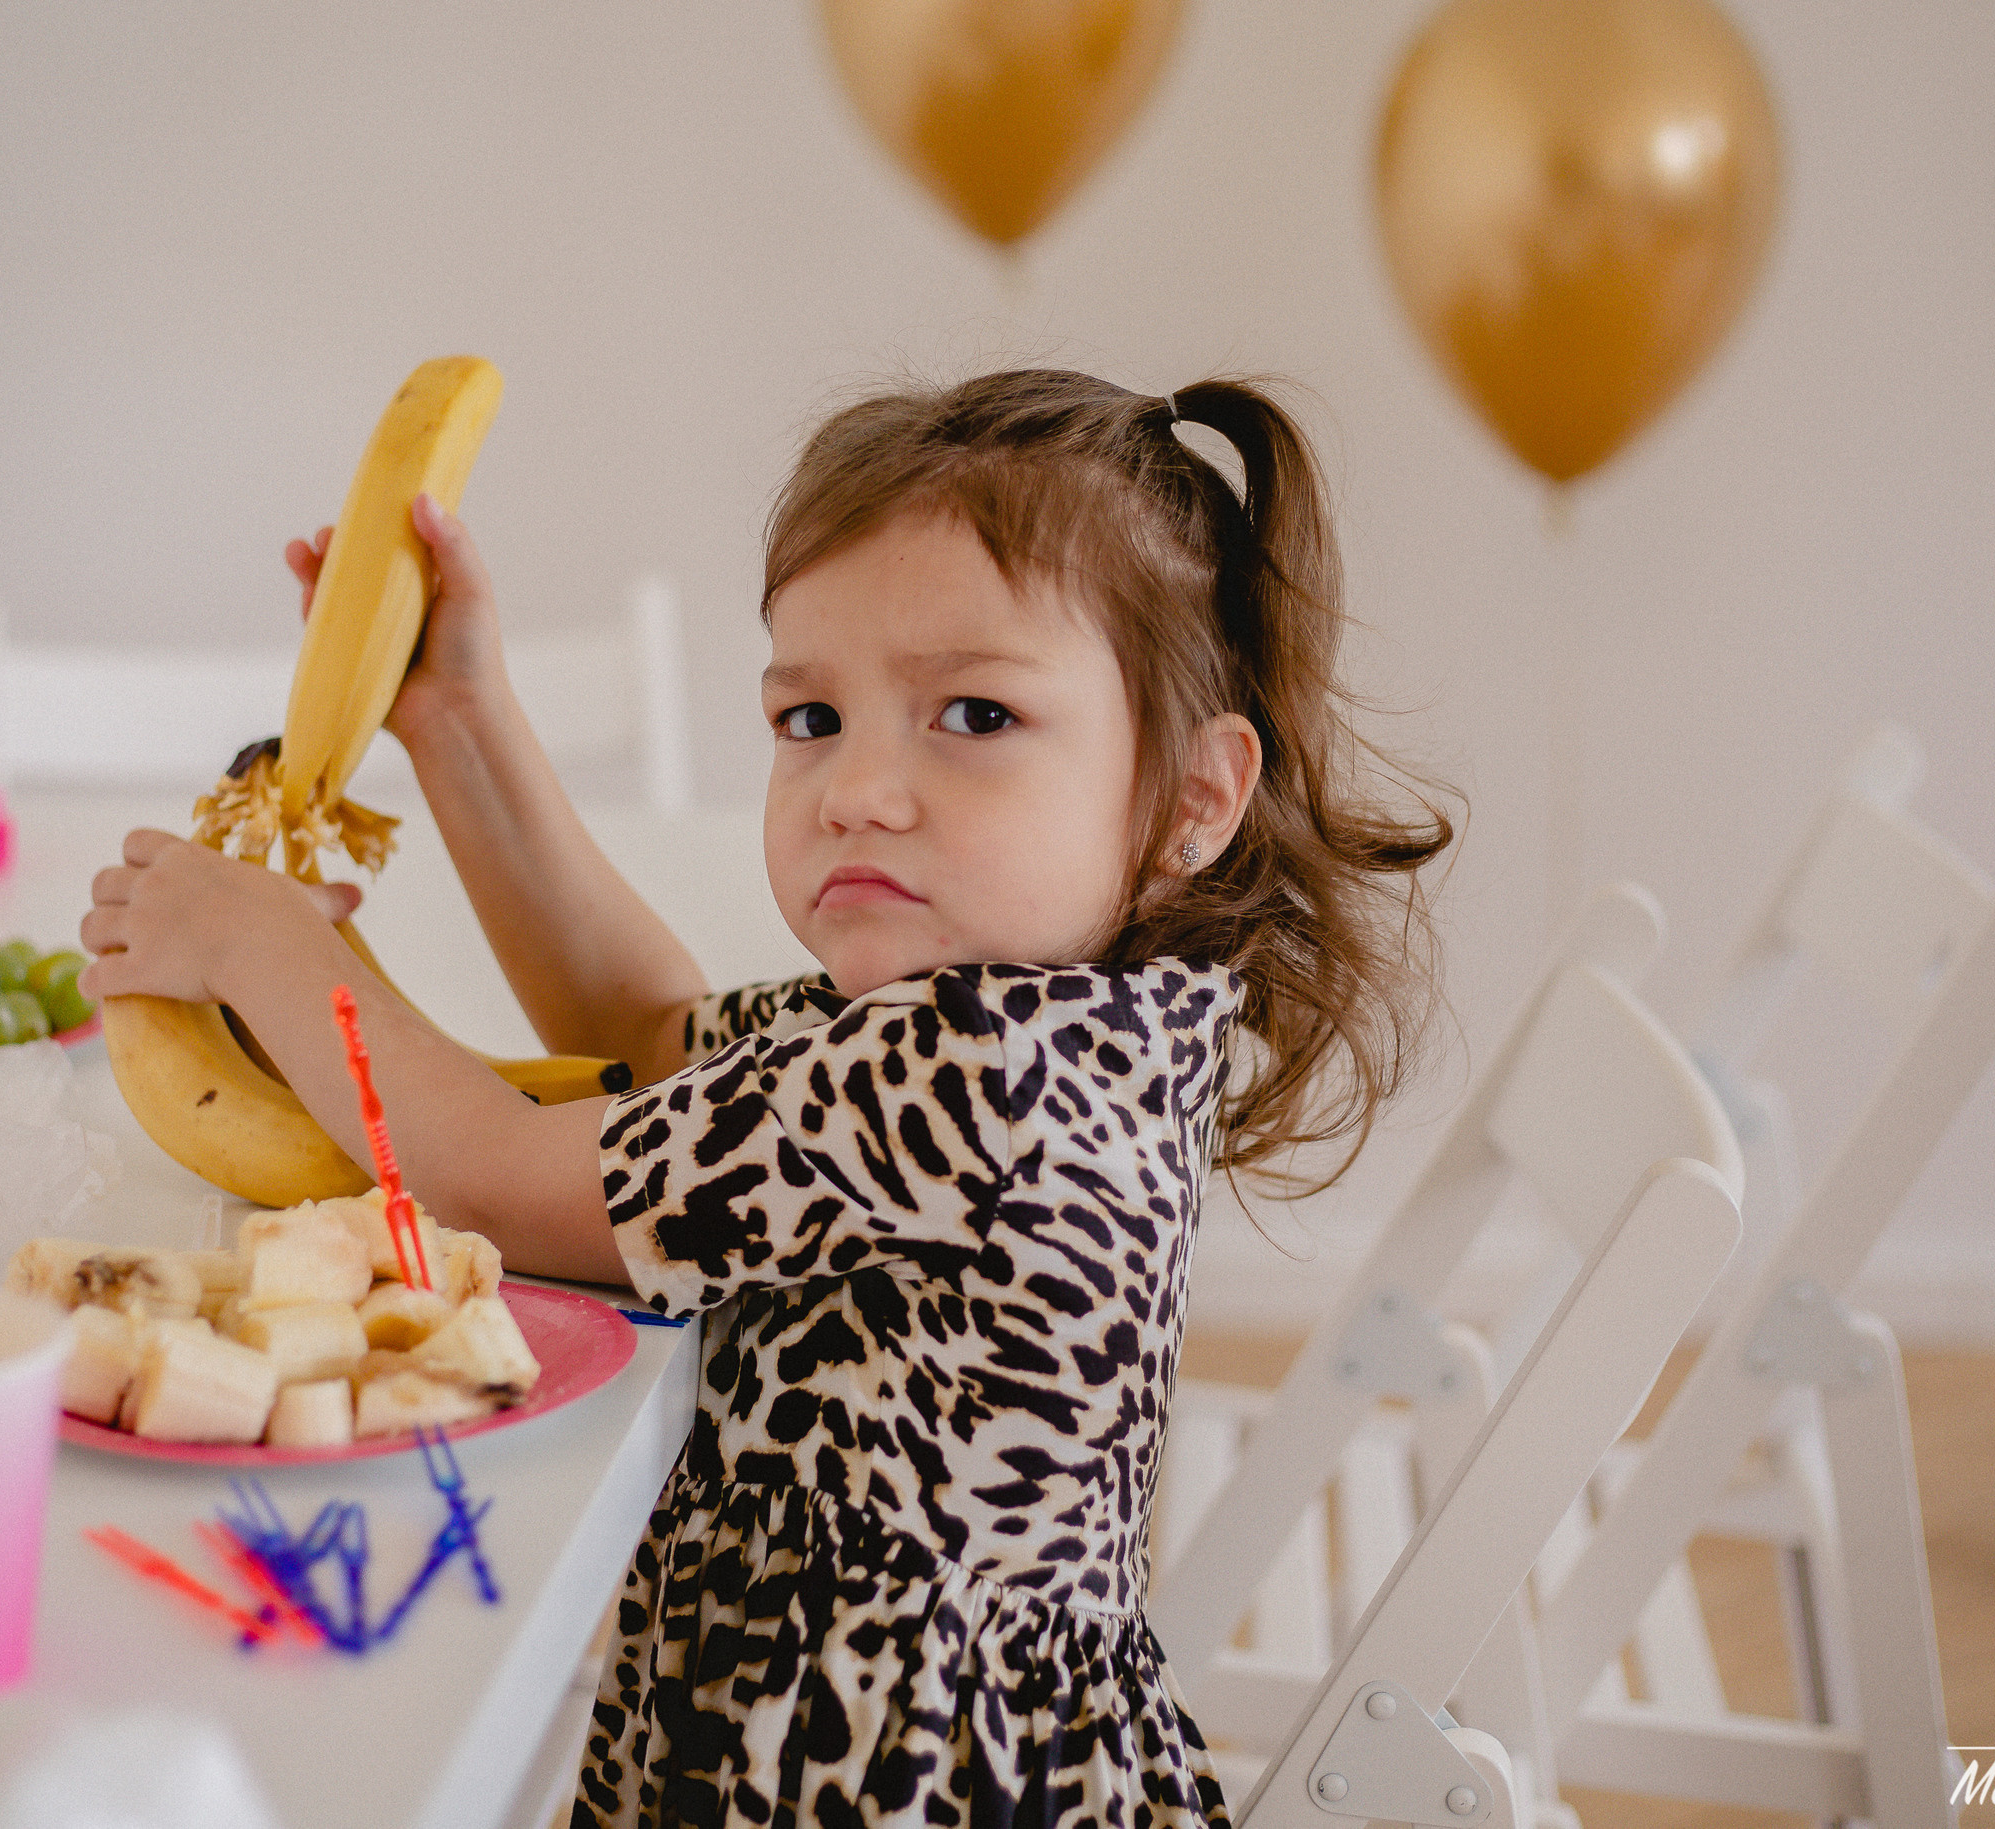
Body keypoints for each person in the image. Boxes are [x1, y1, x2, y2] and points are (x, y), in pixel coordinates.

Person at [80, 368, 1453, 1826]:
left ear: (1190, 796)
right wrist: (462, 720)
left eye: (973, 713)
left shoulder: (975, 1075)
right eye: (811, 718)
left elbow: (487, 1177)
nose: (859, 787)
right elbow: (652, 1032)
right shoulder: (1036, 1011)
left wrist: (266, 947)